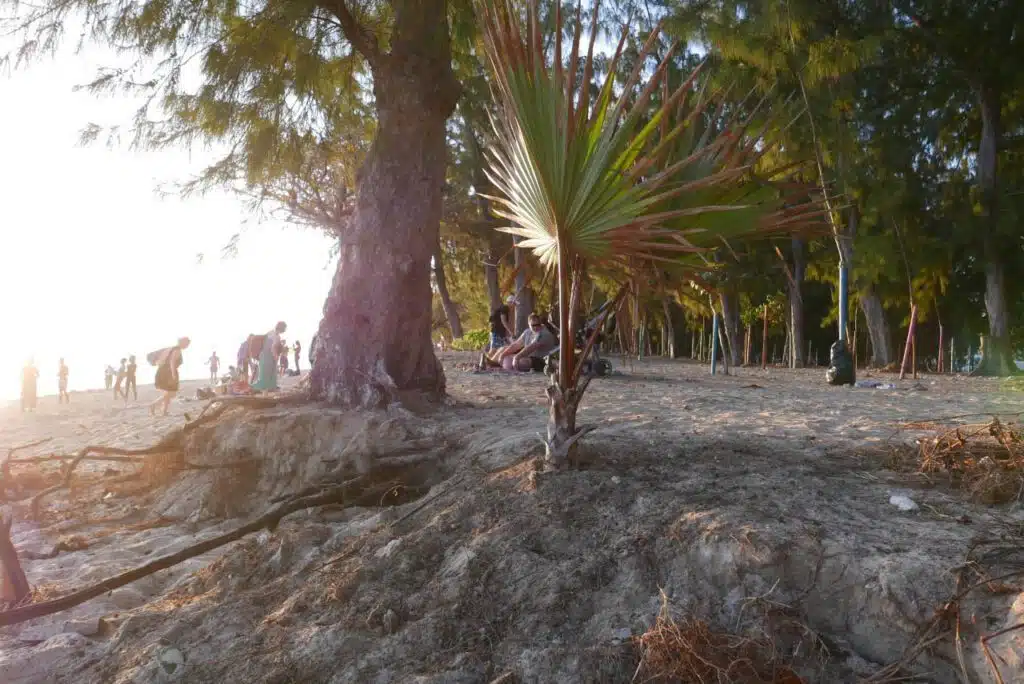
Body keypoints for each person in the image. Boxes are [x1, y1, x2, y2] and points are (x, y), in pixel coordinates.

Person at [480, 313, 557, 371]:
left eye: (538, 324)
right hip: (529, 357)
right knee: (503, 351)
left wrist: (517, 357)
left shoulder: (544, 334)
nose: (536, 327)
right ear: (529, 324)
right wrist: (503, 355)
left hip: (541, 359)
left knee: (520, 361)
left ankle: (497, 365)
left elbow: (531, 347)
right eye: (533, 325)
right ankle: (493, 363)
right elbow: (516, 344)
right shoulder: (527, 332)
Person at [149, 337, 191, 416]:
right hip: (168, 373)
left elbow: (164, 361)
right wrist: (173, 374)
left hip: (163, 371)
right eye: (187, 343)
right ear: (183, 342)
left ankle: (164, 411)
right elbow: (172, 362)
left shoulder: (172, 348)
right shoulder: (177, 350)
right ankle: (154, 405)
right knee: (171, 393)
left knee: (168, 393)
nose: (187, 346)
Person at [252, 321, 286, 392]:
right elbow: (272, 347)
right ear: (282, 328)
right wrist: (276, 356)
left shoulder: (271, 333)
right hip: (267, 356)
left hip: (265, 355)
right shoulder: (275, 335)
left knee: (269, 373)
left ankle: (270, 387)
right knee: (267, 374)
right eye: (284, 328)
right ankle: (258, 388)